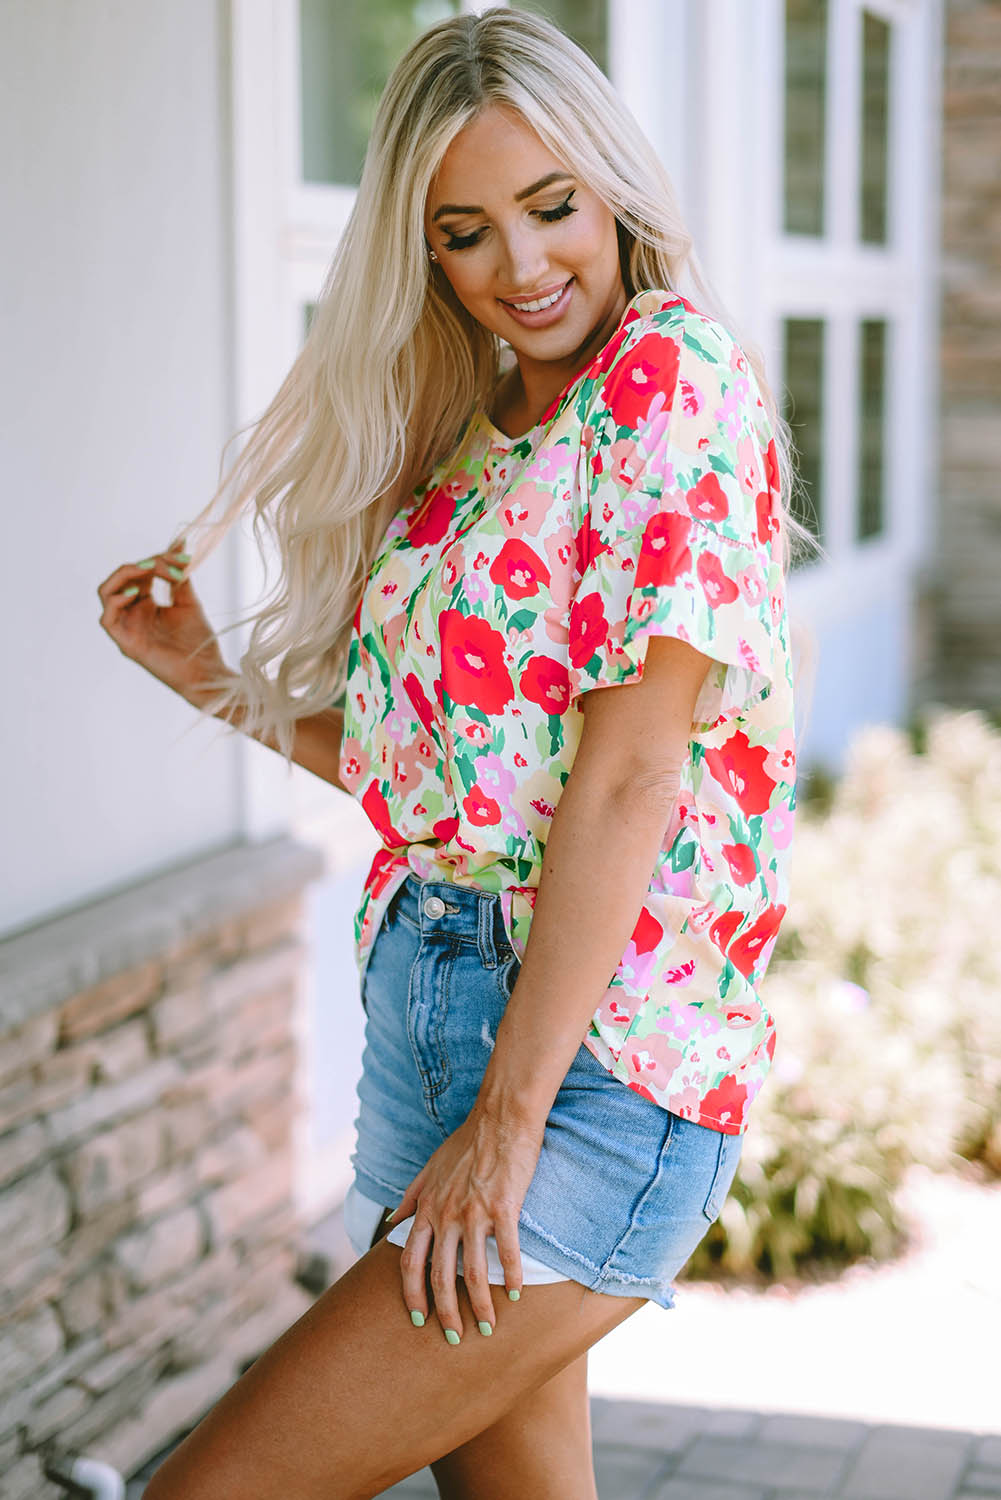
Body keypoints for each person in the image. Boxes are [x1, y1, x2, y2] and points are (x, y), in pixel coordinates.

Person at [98, 10, 818, 1498]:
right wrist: (212, 683)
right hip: (437, 1009)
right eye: (465, 233)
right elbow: (445, 795)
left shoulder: (668, 382)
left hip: (591, 1066)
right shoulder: (491, 429)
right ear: (422, 254)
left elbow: (626, 782)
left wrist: (505, 1130)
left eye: (551, 206)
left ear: (612, 186)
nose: (522, 266)